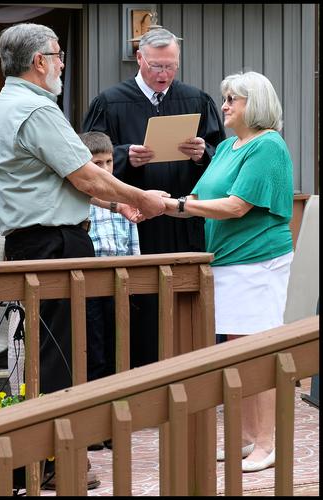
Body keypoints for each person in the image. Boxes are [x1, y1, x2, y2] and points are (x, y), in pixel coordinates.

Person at [0, 22, 168, 490]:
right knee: (61, 356)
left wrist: (115, 204)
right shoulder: (34, 109)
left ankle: (42, 460)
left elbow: (61, 181)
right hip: (53, 244)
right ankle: (51, 463)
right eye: (59, 54)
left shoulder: (12, 103)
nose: (63, 62)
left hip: (40, 241)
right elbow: (86, 175)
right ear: (38, 62)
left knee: (46, 354)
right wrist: (144, 199)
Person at [162, 71, 294, 472]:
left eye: (232, 99)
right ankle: (245, 437)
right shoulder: (227, 148)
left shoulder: (267, 146)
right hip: (227, 262)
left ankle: (267, 443)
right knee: (236, 354)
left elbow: (237, 206)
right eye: (225, 99)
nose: (224, 106)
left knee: (256, 353)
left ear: (255, 104)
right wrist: (158, 203)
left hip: (257, 262)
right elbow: (201, 195)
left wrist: (178, 207)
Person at [82, 27, 226, 367]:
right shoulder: (110, 101)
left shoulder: (196, 99)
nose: (164, 75)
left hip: (182, 221)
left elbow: (222, 157)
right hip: (133, 224)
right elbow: (86, 159)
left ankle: (188, 371)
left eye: (171, 67)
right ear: (140, 59)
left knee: (184, 301)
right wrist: (124, 157)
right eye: (157, 66)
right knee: (139, 304)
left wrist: (202, 152)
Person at [79, 131, 141, 451]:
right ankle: (91, 426)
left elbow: (133, 247)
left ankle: (112, 425)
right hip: (91, 289)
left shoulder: (126, 200)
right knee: (95, 354)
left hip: (120, 287)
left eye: (108, 162)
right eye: (97, 164)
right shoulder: (83, 202)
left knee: (120, 355)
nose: (105, 169)